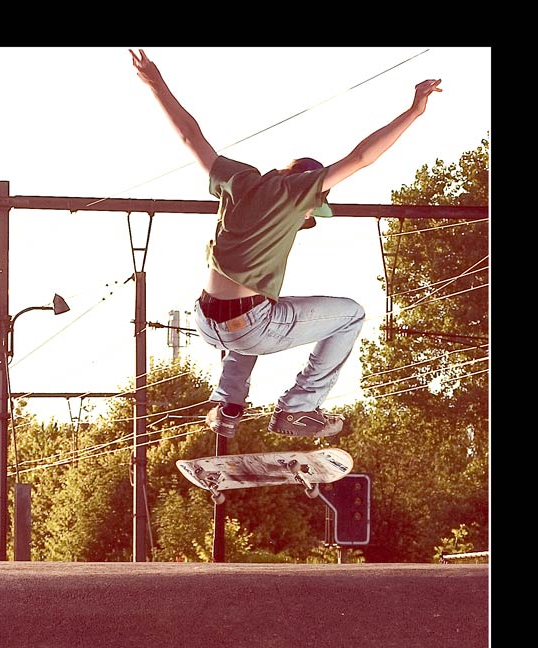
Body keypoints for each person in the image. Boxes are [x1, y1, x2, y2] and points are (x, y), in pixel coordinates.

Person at [130, 48, 443, 438]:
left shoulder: (239, 181)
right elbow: (362, 157)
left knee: (260, 313)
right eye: (315, 209)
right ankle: (299, 407)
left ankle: (227, 407)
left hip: (207, 319)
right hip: (244, 325)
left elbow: (189, 135)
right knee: (351, 315)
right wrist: (414, 111)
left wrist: (155, 82)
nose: (309, 218)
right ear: (309, 187)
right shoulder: (297, 190)